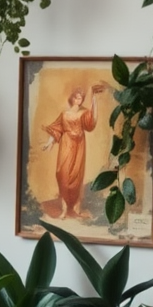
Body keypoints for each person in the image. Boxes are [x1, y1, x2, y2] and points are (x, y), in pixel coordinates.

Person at [40, 83, 108, 220]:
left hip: (79, 145)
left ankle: (75, 208)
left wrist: (94, 98)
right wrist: (49, 143)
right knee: (62, 173)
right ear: (72, 99)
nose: (79, 100)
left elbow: (91, 123)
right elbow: (57, 130)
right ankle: (64, 208)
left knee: (76, 176)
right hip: (66, 143)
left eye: (81, 98)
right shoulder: (64, 114)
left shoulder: (84, 113)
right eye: (76, 98)